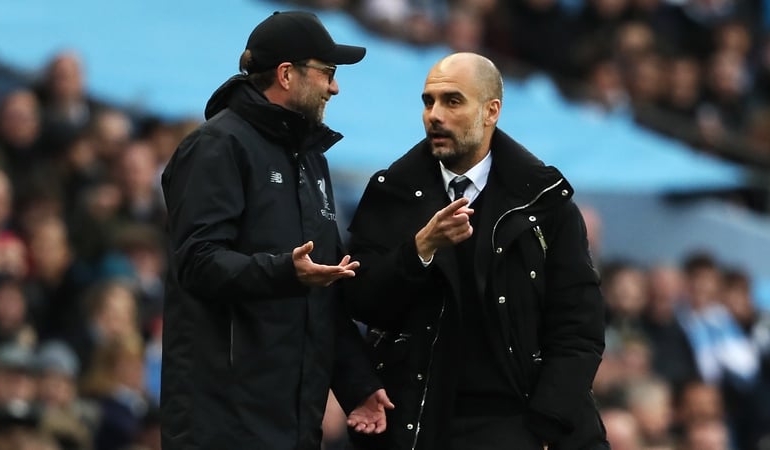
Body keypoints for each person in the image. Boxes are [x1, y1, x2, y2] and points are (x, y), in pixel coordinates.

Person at [345, 52, 609, 450]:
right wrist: (419, 250)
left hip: (520, 420)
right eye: (428, 101)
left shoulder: (544, 200)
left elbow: (579, 328)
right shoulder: (391, 193)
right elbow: (361, 302)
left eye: (452, 101)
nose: (434, 114)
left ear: (491, 111)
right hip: (421, 421)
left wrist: (546, 422)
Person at [159, 10, 393, 450]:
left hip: (293, 421)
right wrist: (284, 271)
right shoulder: (217, 146)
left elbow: (323, 288)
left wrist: (356, 384)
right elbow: (197, 262)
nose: (335, 87)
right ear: (287, 75)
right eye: (327, 73)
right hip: (222, 421)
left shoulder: (312, 160)